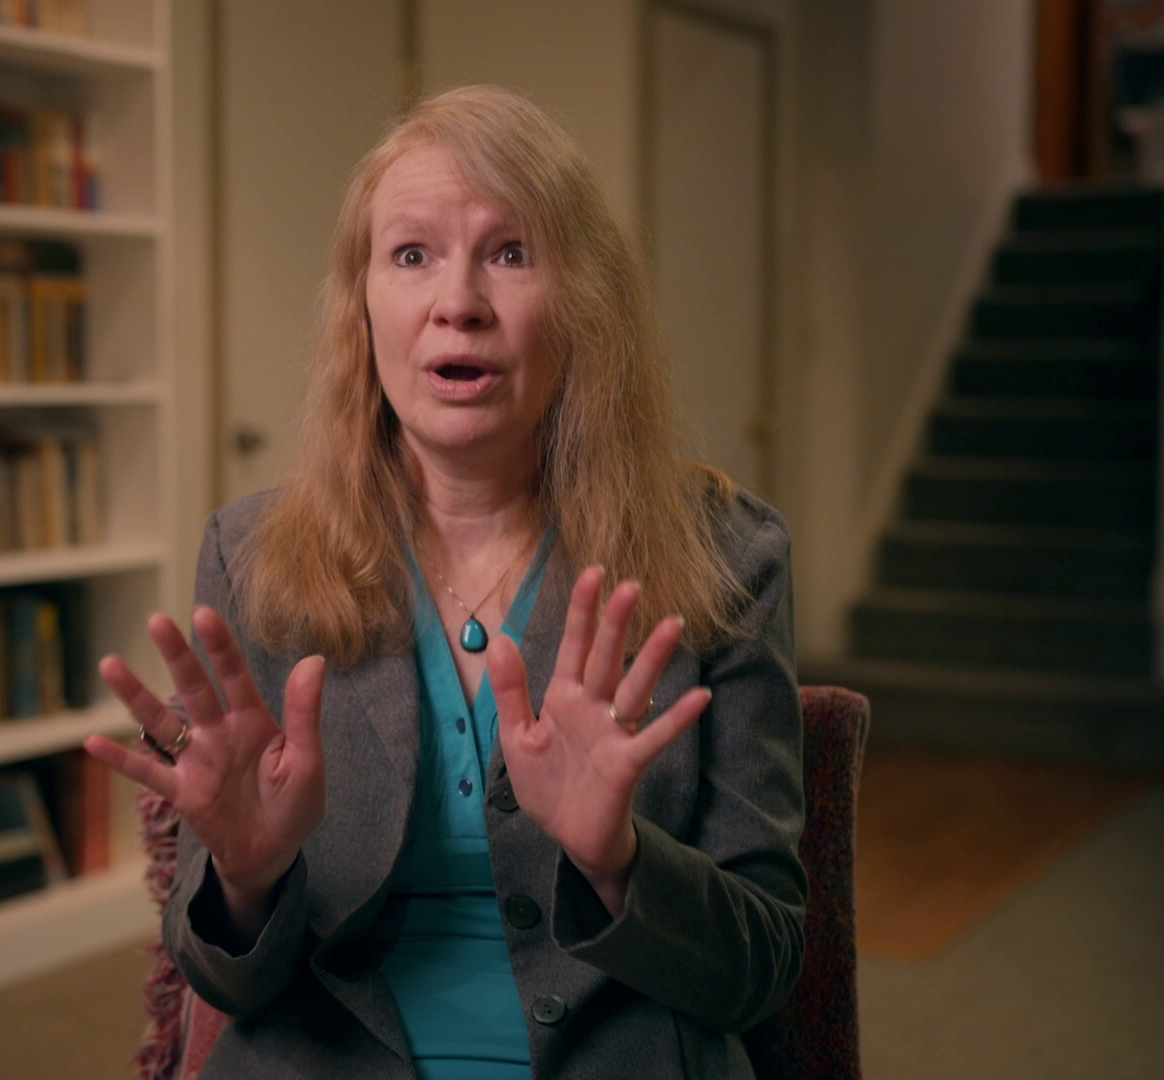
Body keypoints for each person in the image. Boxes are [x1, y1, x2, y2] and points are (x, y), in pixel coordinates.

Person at [84, 85, 805, 1080]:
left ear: (585, 303)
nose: (457, 302)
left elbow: (764, 971)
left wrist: (620, 862)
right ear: (361, 306)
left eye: (511, 254)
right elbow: (228, 985)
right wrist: (246, 880)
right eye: (412, 255)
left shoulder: (727, 555)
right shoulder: (253, 556)